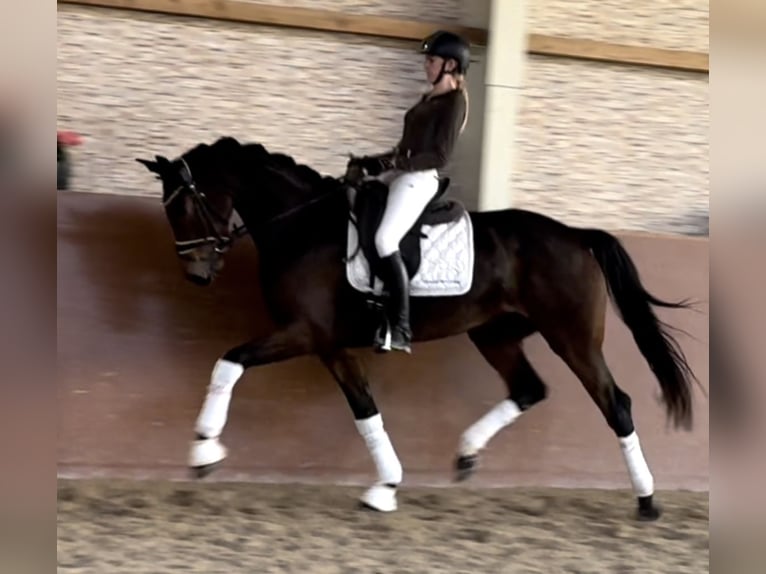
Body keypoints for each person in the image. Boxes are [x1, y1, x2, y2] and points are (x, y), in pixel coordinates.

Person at [355, 30, 471, 354]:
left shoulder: (454, 102)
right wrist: (371, 163)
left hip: (418, 180)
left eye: (431, 61)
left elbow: (440, 156)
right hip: (402, 174)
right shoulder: (429, 98)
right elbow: (403, 148)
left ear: (449, 65)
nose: (426, 66)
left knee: (385, 240)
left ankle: (402, 327)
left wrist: (399, 165)